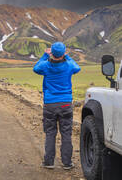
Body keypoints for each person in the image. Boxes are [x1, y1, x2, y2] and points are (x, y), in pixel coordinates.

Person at [33, 42, 81, 170]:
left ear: (52, 53)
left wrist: (44, 55)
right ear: (63, 53)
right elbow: (77, 68)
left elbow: (35, 68)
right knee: (66, 133)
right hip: (66, 103)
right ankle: (67, 163)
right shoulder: (69, 65)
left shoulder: (45, 65)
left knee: (50, 133)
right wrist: (67, 56)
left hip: (50, 103)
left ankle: (49, 162)